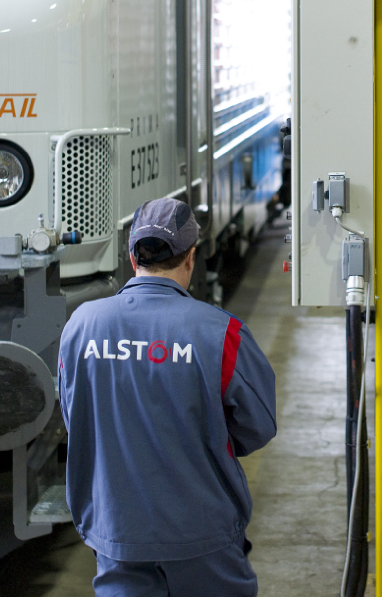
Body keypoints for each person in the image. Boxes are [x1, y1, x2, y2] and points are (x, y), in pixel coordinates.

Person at [58, 197, 277, 596]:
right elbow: (257, 427)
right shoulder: (221, 332)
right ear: (191, 257)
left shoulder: (82, 325)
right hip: (202, 533)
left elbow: (76, 415)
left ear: (131, 256)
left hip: (116, 530)